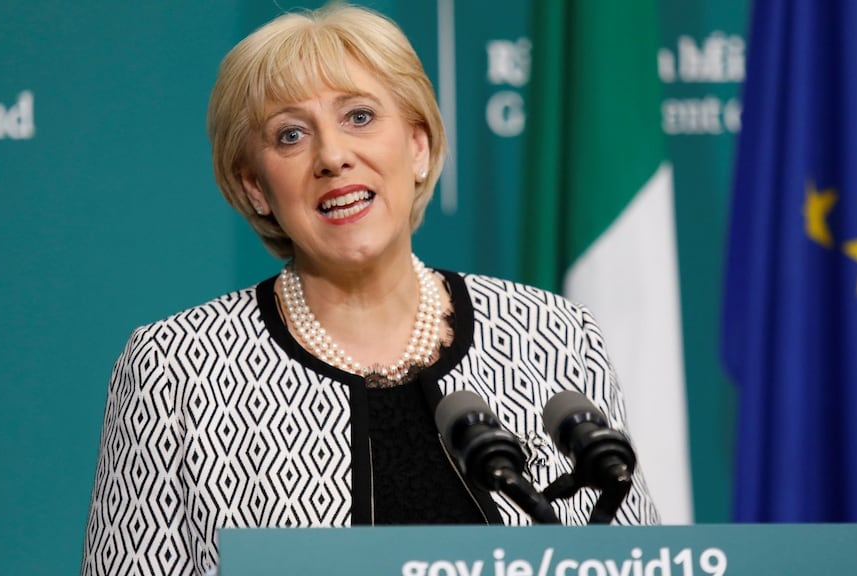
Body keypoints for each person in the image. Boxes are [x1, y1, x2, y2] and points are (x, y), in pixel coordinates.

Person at [80, 4, 659, 575]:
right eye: (290, 135)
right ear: (257, 187)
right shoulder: (177, 368)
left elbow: (632, 557)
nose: (332, 156)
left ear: (418, 146)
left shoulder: (551, 336)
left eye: (359, 117)